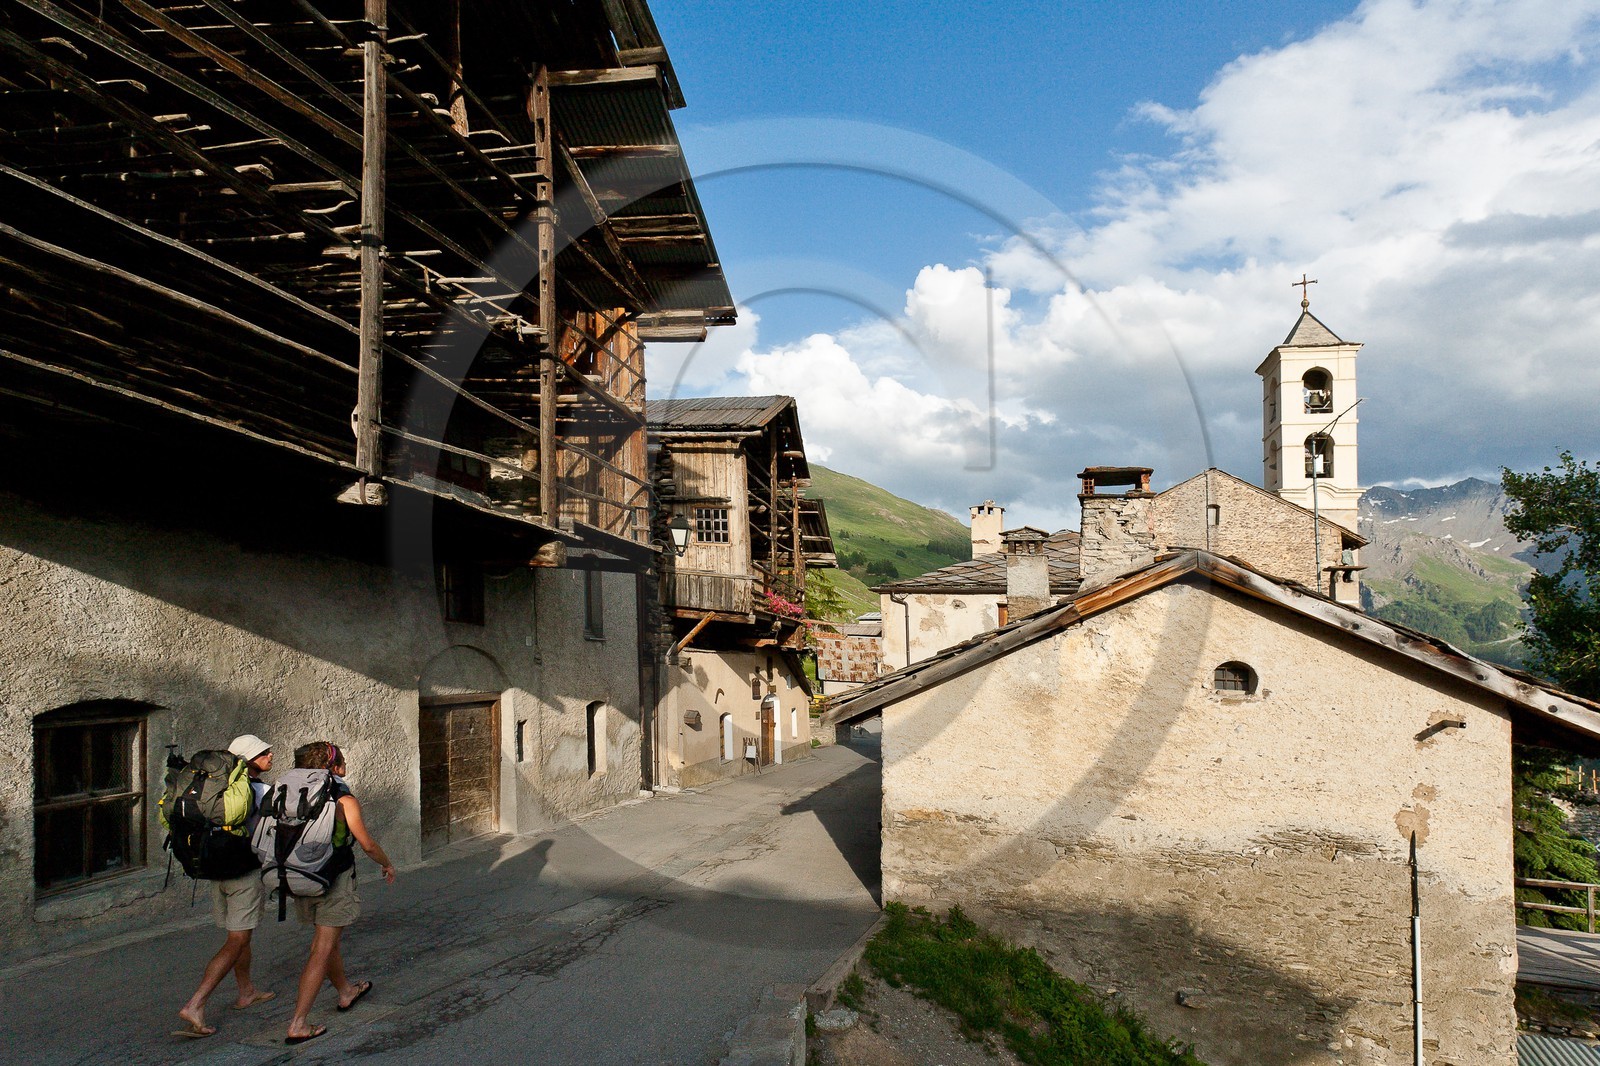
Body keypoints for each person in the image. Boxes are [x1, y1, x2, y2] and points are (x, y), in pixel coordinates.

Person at [285, 741, 396, 1046]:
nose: (346, 765)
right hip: (333, 877)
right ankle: (298, 1023)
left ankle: (346, 991)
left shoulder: (287, 793)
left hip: (298, 876)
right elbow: (367, 844)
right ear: (333, 768)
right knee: (320, 949)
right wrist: (387, 864)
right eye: (342, 761)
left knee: (326, 940)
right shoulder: (343, 799)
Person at [175, 734, 276, 1038]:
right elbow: (268, 832)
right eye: (264, 752)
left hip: (214, 867)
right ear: (248, 760)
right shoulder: (258, 791)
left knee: (240, 936)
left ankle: (246, 991)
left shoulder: (212, 791)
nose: (270, 755)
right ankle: (196, 1003)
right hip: (243, 871)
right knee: (236, 941)